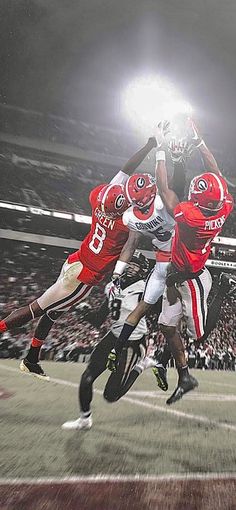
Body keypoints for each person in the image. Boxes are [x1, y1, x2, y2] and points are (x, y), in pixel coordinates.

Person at [0, 137, 157, 379]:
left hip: (75, 261)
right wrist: (117, 274)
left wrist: (147, 146)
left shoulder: (102, 198)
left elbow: (126, 169)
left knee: (53, 312)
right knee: (37, 309)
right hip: (84, 277)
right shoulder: (128, 219)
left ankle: (31, 358)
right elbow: (132, 242)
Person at [155, 119, 234, 404]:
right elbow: (217, 174)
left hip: (192, 279)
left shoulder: (190, 216)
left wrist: (160, 149)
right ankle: (185, 376)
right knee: (166, 327)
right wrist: (200, 141)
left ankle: (223, 290)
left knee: (199, 335)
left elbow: (165, 190)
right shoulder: (224, 205)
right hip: (178, 274)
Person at [106, 130, 191, 391]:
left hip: (159, 266)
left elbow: (130, 246)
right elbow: (167, 182)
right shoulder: (161, 204)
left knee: (141, 308)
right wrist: (164, 150)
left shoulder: (132, 216)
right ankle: (167, 363)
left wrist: (116, 274)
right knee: (181, 322)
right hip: (177, 264)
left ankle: (117, 350)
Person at [62, 252, 152, 430]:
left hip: (133, 342)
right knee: (87, 378)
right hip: (113, 336)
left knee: (111, 395)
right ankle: (85, 419)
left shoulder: (146, 289)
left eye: (137, 265)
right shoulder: (113, 286)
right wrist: (84, 313)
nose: (132, 267)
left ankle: (141, 365)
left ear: (142, 271)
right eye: (130, 263)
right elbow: (99, 319)